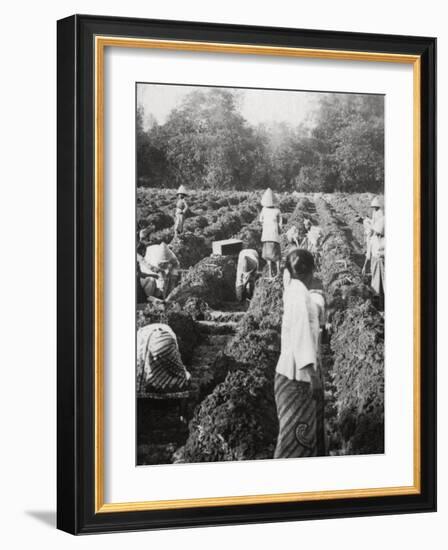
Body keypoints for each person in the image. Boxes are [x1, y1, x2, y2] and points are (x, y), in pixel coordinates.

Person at [274, 249, 326, 458]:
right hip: (297, 378)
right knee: (295, 439)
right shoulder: (300, 297)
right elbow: (302, 335)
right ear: (311, 271)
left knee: (297, 435)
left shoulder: (295, 290)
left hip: (293, 373)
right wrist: (313, 377)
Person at [137, 323, 191, 394]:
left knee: (150, 370)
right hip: (163, 341)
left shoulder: (143, 331)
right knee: (184, 377)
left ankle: (150, 384)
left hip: (145, 343)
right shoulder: (168, 334)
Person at [362, 211, 385, 308]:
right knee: (376, 284)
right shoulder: (372, 240)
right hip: (375, 262)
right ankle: (378, 305)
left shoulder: (385, 240)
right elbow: (368, 254)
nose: (378, 235)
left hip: (383, 262)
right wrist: (364, 266)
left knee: (384, 283)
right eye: (378, 233)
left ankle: (383, 304)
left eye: (380, 234)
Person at [260, 188, 282, 278]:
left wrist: (265, 225)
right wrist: (279, 231)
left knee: (267, 255)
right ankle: (278, 271)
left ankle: (270, 272)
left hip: (266, 235)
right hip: (274, 235)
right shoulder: (277, 211)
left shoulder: (263, 210)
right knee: (276, 254)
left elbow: (261, 221)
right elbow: (280, 224)